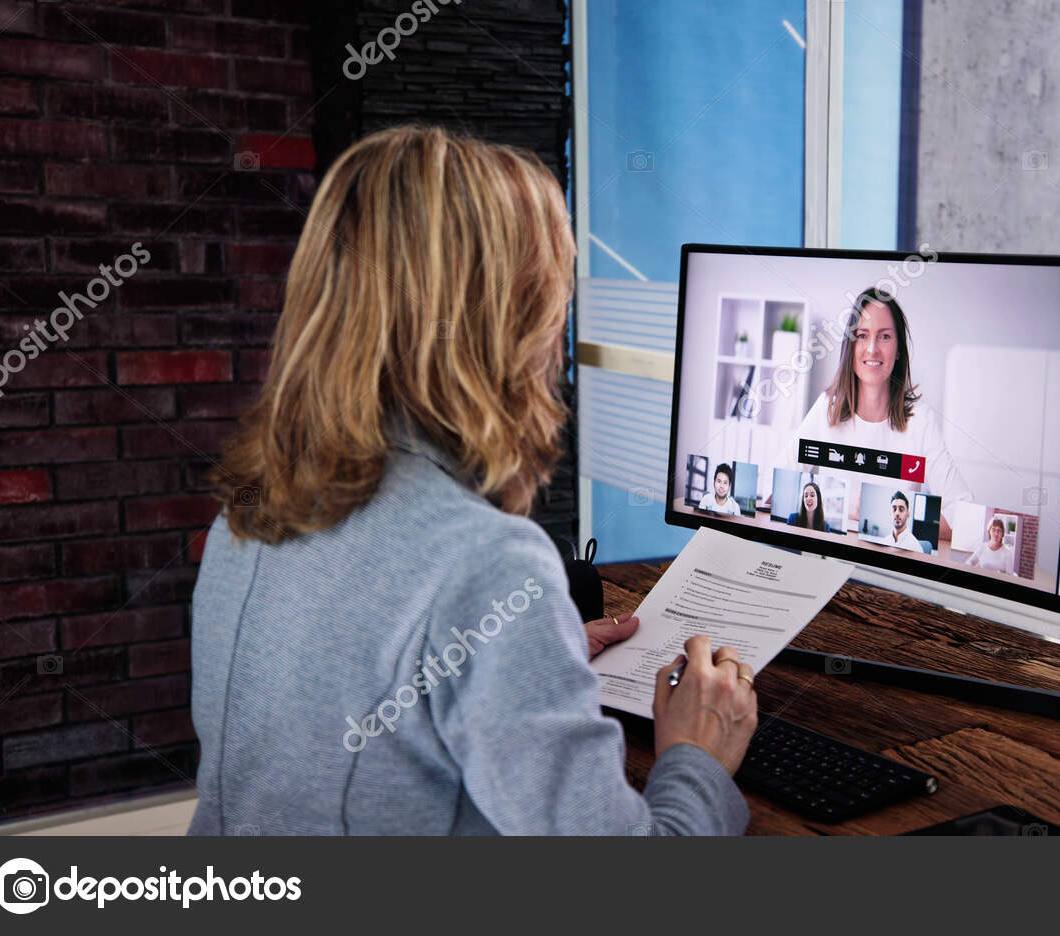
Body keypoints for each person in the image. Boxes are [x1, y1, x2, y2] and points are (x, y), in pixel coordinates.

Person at [188, 126, 756, 835]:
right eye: (554, 299)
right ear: (508, 320)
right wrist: (697, 754)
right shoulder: (485, 567)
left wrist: (525, 662)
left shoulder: (253, 509)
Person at [785, 288, 971, 540]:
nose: (872, 348)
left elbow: (963, 519)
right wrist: (842, 509)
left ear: (898, 351)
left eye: (884, 336)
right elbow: (777, 488)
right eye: (862, 335)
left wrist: (880, 517)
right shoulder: (827, 407)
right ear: (850, 348)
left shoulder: (920, 420)